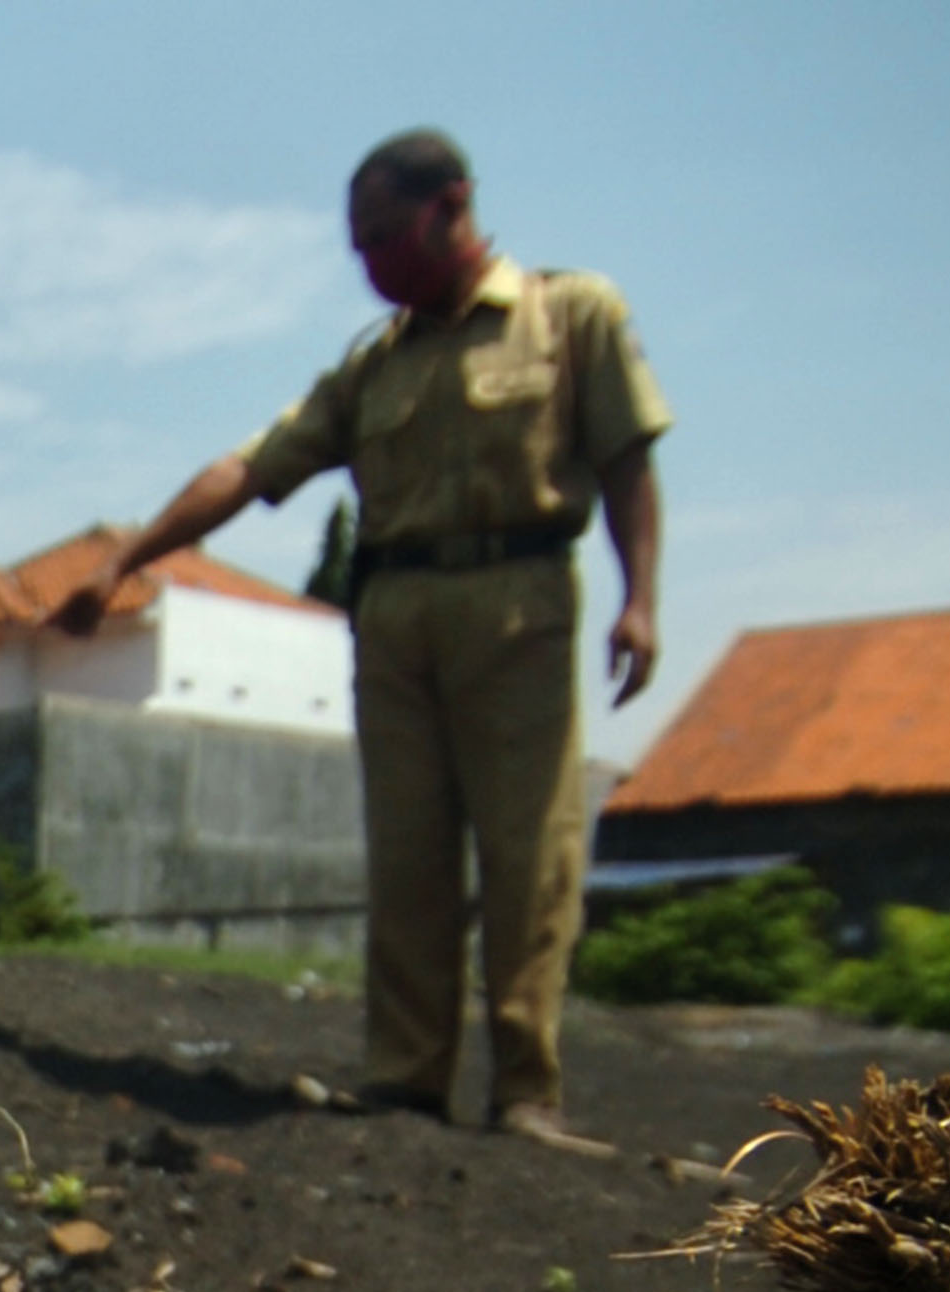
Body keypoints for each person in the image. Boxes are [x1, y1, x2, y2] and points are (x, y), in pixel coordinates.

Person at [56, 129, 668, 1154]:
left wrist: (639, 598)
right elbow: (247, 471)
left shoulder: (569, 316)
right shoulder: (371, 368)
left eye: (382, 238)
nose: (368, 264)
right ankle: (407, 1078)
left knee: (531, 853)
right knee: (408, 854)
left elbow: (626, 461)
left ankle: (525, 1090)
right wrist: (125, 557)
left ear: (452, 205)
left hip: (517, 604)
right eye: (358, 245)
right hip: (392, 621)